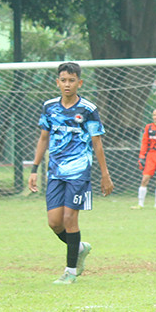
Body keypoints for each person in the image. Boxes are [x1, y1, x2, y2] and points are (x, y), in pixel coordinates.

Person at [28, 62, 114, 284]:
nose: (67, 84)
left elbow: (97, 143)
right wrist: (34, 169)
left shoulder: (88, 109)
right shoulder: (49, 107)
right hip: (55, 172)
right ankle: (80, 247)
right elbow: (43, 138)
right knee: (54, 223)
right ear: (57, 82)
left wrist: (105, 174)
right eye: (63, 80)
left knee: (69, 219)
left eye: (72, 80)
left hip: (79, 171)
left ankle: (70, 272)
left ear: (80, 82)